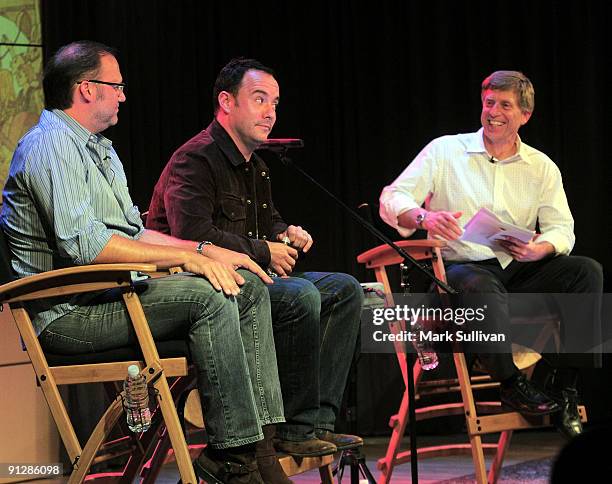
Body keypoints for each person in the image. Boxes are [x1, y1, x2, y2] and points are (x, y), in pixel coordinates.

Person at [0, 41, 288, 484]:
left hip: (109, 296)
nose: (123, 95)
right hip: (68, 314)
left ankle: (257, 451)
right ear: (86, 88)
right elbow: (88, 246)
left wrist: (207, 251)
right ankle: (234, 459)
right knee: (208, 297)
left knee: (242, 283)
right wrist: (190, 256)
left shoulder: (99, 149)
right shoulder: (50, 145)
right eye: (116, 86)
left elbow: (133, 233)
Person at [147, 57, 364, 457]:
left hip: (251, 282)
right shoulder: (195, 159)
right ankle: (292, 429)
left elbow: (267, 226)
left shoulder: (257, 165)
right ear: (226, 102)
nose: (271, 113)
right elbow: (191, 236)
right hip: (203, 289)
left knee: (344, 290)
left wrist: (286, 234)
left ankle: (317, 421)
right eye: (260, 99)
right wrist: (266, 250)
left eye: (276, 103)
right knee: (301, 296)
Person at [379, 70, 603, 438]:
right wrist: (425, 215)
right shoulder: (446, 150)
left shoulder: (541, 166)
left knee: (586, 272)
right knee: (480, 285)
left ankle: (566, 387)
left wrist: (537, 249)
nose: (493, 112)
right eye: (488, 103)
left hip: (517, 272)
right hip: (460, 273)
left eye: (505, 105)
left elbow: (563, 228)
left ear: (524, 115)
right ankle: (511, 382)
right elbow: (392, 198)